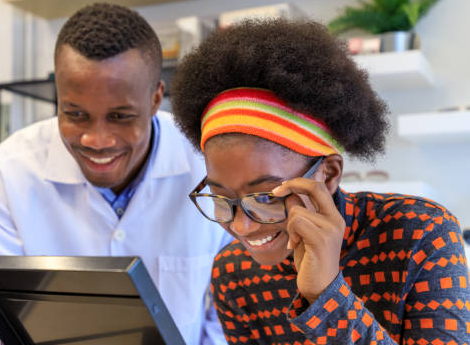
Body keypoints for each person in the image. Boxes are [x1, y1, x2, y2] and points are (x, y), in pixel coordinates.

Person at [170, 18, 470, 344]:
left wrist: (327, 294)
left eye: (266, 197)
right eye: (220, 198)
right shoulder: (234, 272)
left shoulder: (420, 234)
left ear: (328, 174)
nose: (241, 227)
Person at [0, 3, 230, 345]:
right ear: (58, 99)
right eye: (76, 114)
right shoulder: (8, 173)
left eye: (121, 116)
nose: (97, 140)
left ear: (156, 98)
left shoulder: (207, 164)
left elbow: (228, 310)